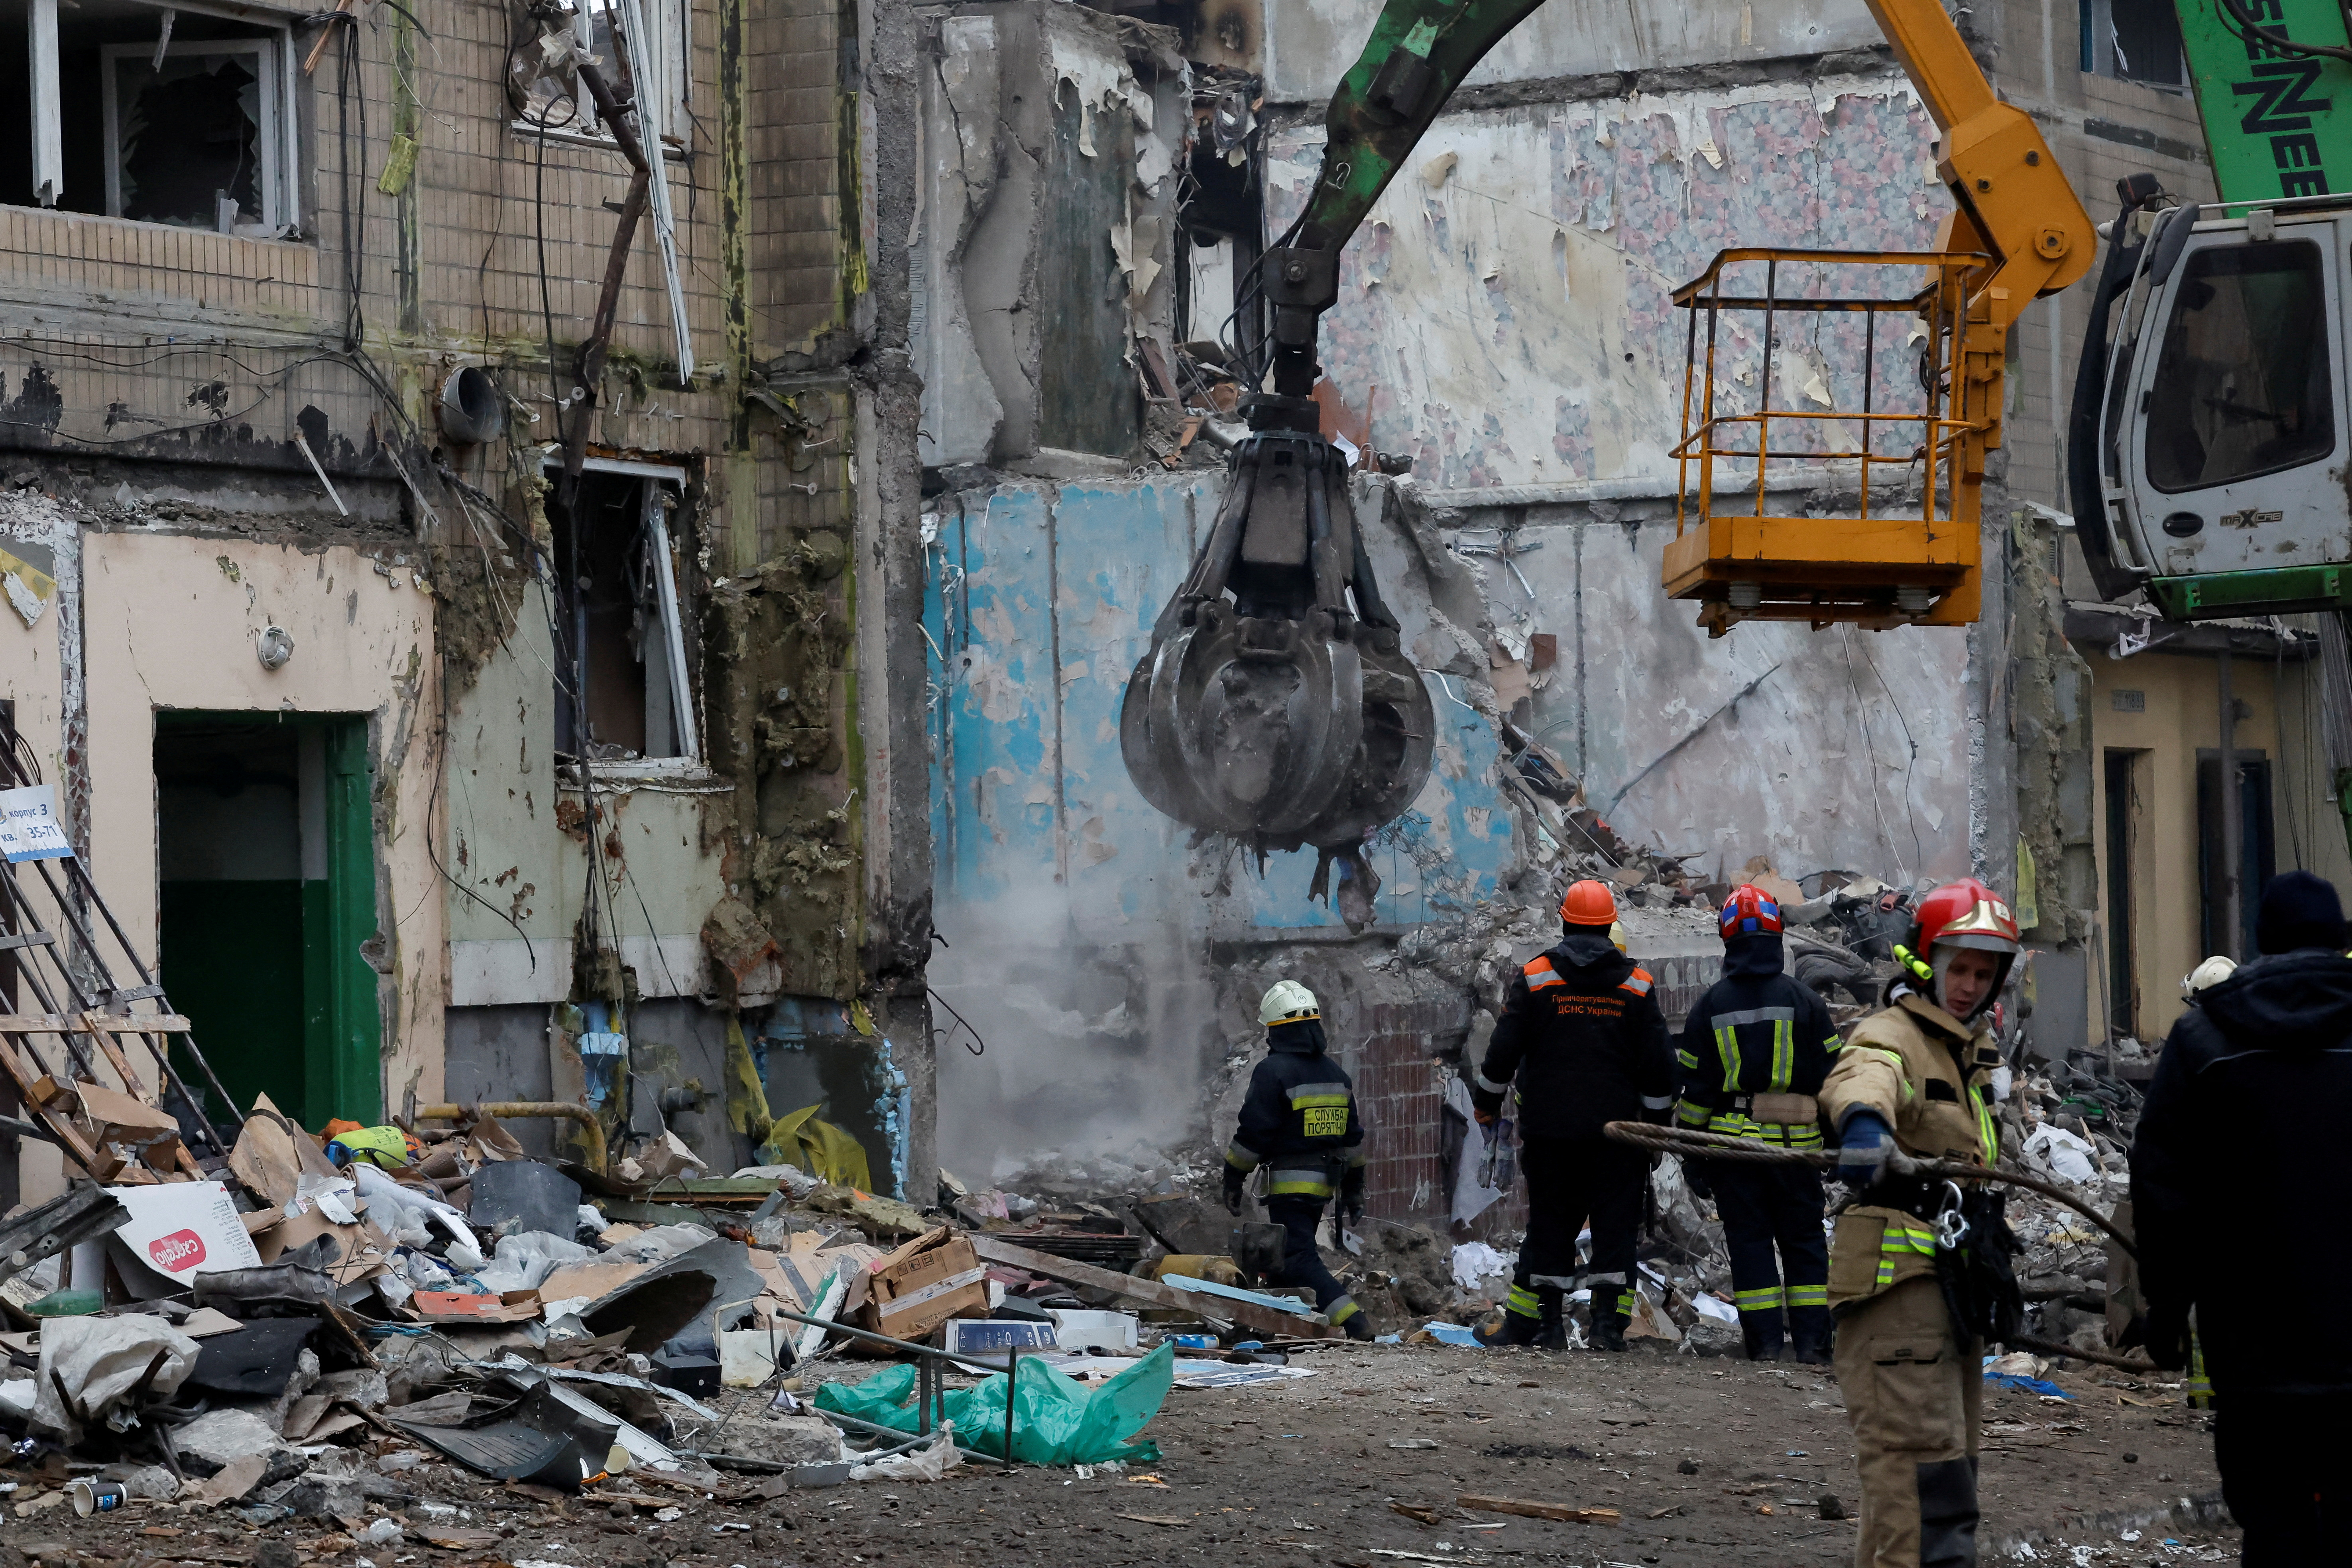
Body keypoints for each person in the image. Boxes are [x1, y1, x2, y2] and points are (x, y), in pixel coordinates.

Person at [2132, 870, 2352, 1561]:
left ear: (2260, 943)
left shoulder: (2204, 1041)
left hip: (2253, 1349)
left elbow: (2164, 1184)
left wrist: (2165, 1312)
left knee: (2275, 1526)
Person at [1819, 877, 2020, 1568]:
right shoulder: (1894, 1034)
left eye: (1982, 972)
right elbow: (1864, 1072)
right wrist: (1868, 1124)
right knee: (1920, 1483)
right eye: (1958, 967)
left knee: (1936, 1476)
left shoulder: (1966, 1055)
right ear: (1925, 960)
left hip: (1944, 1293)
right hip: (1896, 1291)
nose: (1968, 985)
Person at [1470, 879, 1676, 1350]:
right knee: (1614, 1230)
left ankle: (1546, 1327)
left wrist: (1485, 1105)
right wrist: (1656, 1131)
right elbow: (1661, 1069)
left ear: (1563, 920)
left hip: (1550, 1133)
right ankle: (1606, 1330)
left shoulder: (1537, 976)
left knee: (1550, 1225)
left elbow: (1503, 1050)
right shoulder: (1637, 984)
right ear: (1608, 925)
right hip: (1618, 1137)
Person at [1675, 884, 1843, 1362]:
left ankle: (1765, 1346)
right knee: (1804, 1243)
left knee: (1749, 1246)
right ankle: (1813, 1346)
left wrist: (1693, 1156)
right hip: (1797, 1151)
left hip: (1733, 1155)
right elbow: (1833, 1082)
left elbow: (1697, 1094)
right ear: (1777, 936)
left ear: (1727, 941)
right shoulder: (1806, 1002)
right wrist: (1834, 1141)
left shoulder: (1710, 1006)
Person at [1222, 980, 1376, 1340]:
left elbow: (1253, 1134)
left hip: (1290, 1184)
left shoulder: (1272, 1072)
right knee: (1280, 1261)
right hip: (1325, 1183)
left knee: (1297, 1255)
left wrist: (1233, 1178)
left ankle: (1354, 1322)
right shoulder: (1336, 1075)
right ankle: (1277, 1325)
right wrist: (1354, 1190)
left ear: (1278, 1030)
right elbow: (1353, 1140)